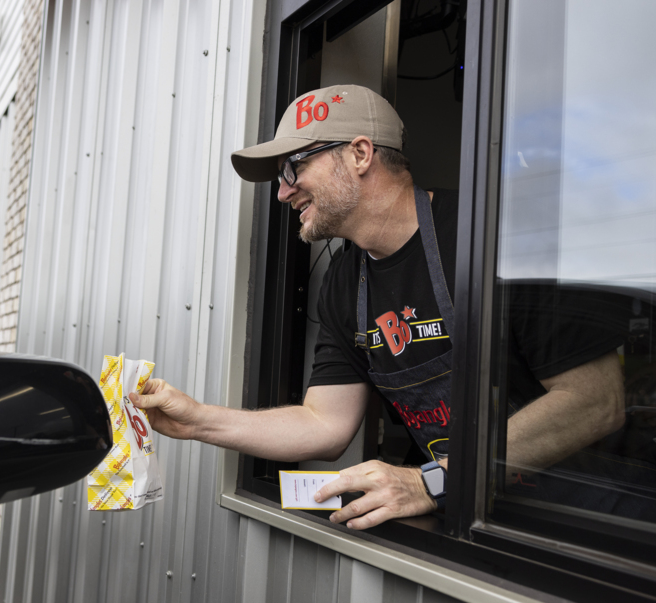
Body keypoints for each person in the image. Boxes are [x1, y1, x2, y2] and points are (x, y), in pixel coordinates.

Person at [131, 84, 625, 529]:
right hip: (479, 527)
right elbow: (324, 424)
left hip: (588, 527)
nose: (282, 192)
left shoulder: (497, 240)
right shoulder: (346, 283)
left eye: (291, 168)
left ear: (360, 154)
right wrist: (196, 421)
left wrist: (430, 482)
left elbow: (594, 402)